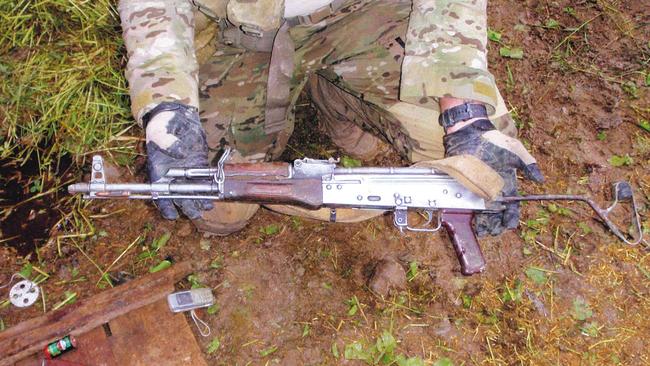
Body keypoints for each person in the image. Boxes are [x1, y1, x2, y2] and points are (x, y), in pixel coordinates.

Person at [117, 0, 544, 236]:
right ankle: (305, 90)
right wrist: (166, 105)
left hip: (367, 14)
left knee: (468, 163)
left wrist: (465, 115)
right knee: (217, 207)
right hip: (241, 36)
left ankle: (335, 98)